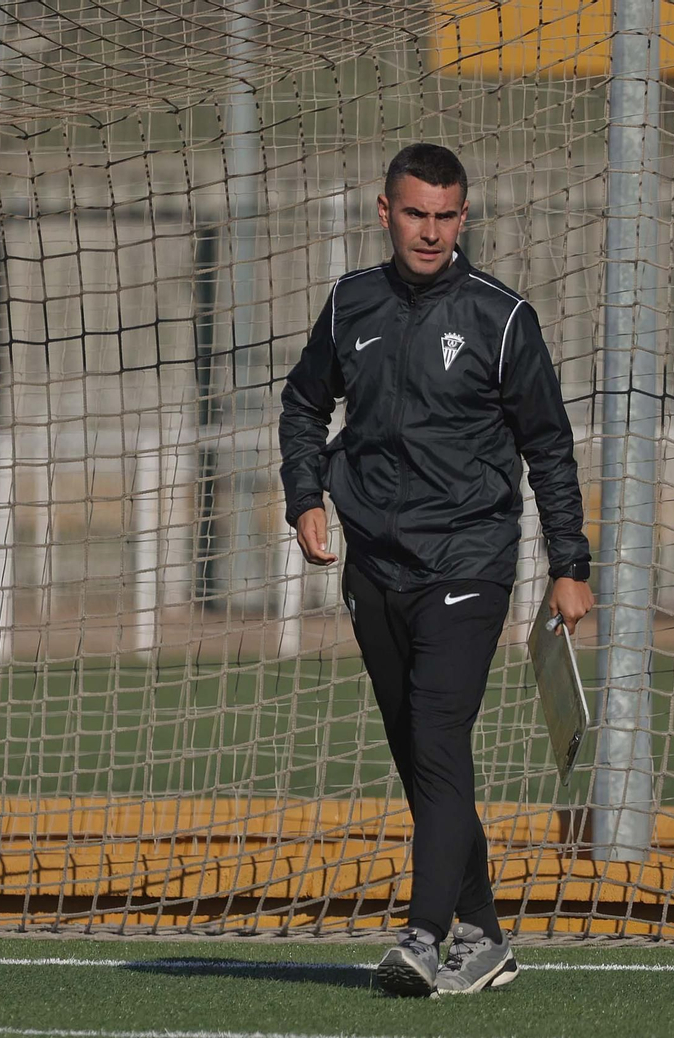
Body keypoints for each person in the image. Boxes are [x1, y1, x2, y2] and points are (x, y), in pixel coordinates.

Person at [278, 143, 593, 996]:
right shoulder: (351, 302)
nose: (431, 231)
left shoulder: (502, 317)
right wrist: (305, 495)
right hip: (375, 566)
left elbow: (549, 447)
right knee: (420, 753)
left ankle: (425, 933)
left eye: (446, 215)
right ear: (385, 212)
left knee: (441, 735)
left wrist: (570, 563)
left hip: (469, 560)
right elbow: (305, 404)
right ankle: (485, 936)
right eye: (415, 213)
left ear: (465, 217)